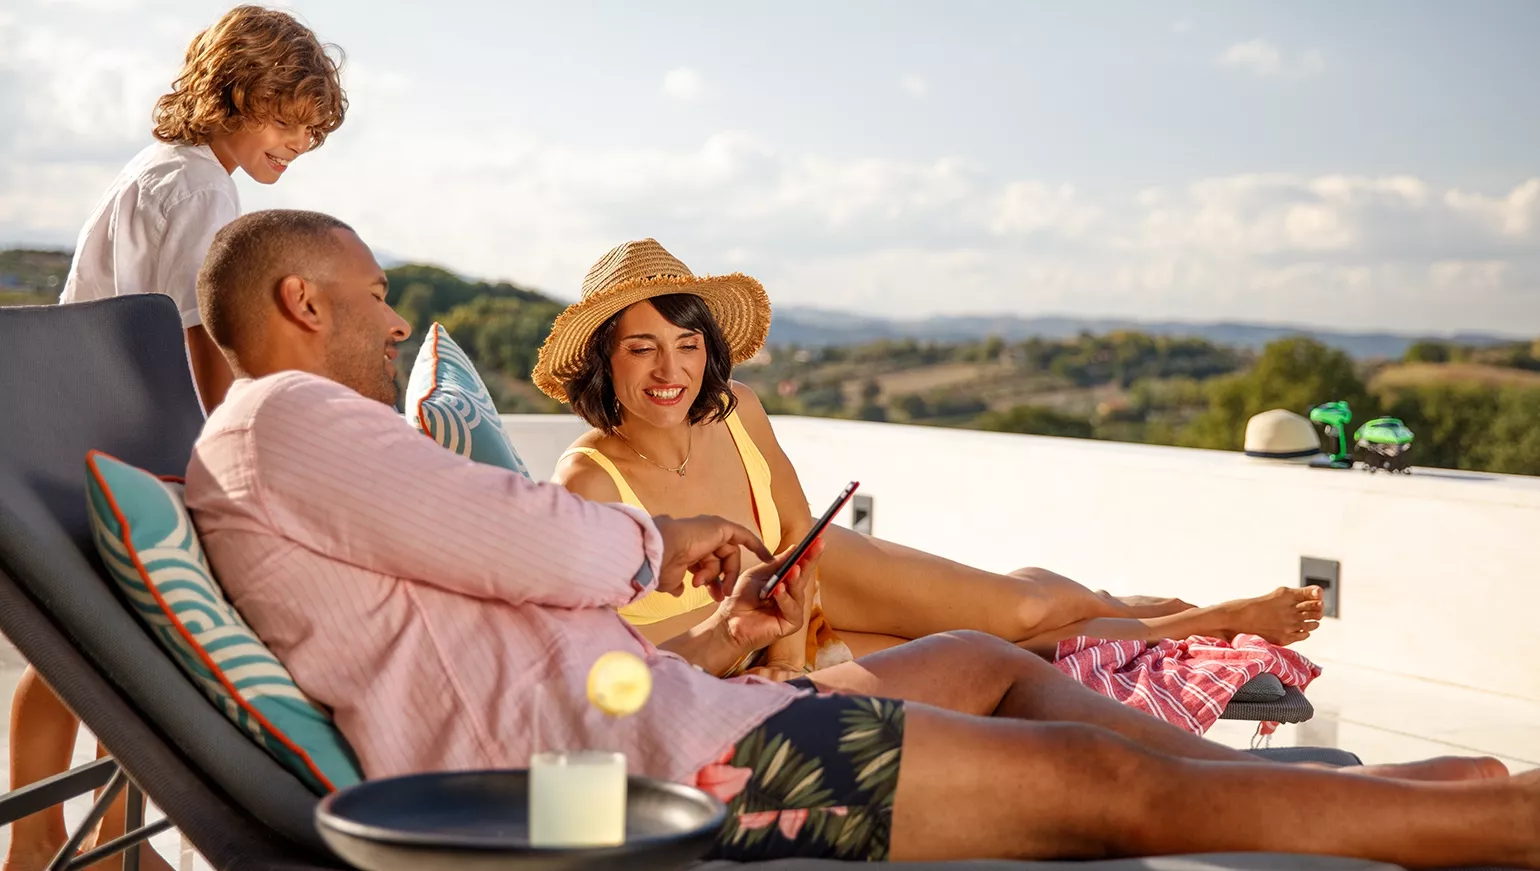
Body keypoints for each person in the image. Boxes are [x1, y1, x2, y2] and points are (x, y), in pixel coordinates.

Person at [180, 209, 1539, 869]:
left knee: (988, 656)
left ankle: (1391, 801)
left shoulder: (290, 445)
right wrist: (665, 547)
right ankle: (1481, 820)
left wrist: (715, 626)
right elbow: (556, 548)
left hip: (660, 712)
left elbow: (524, 613)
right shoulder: (283, 417)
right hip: (630, 775)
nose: (392, 325)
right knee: (1098, 786)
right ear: (302, 301)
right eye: (371, 300)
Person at [533, 238, 1323, 679]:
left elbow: (799, 529)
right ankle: (1197, 621)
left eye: (687, 345)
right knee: (1000, 651)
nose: (671, 372)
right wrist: (777, 653)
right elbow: (596, 650)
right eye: (643, 349)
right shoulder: (589, 480)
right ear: (607, 362)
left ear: (710, 352)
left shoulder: (739, 409)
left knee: (1021, 609)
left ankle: (1157, 605)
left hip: (817, 578)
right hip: (736, 650)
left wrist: (794, 633)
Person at [6, 10, 346, 871]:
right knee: (140, 653)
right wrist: (243, 457)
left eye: (312, 131)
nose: (300, 143)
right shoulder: (200, 189)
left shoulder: (161, 171)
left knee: (87, 655)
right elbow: (201, 343)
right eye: (289, 119)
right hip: (136, 443)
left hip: (76, 434)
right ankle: (84, 840)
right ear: (236, 93)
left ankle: (57, 838)